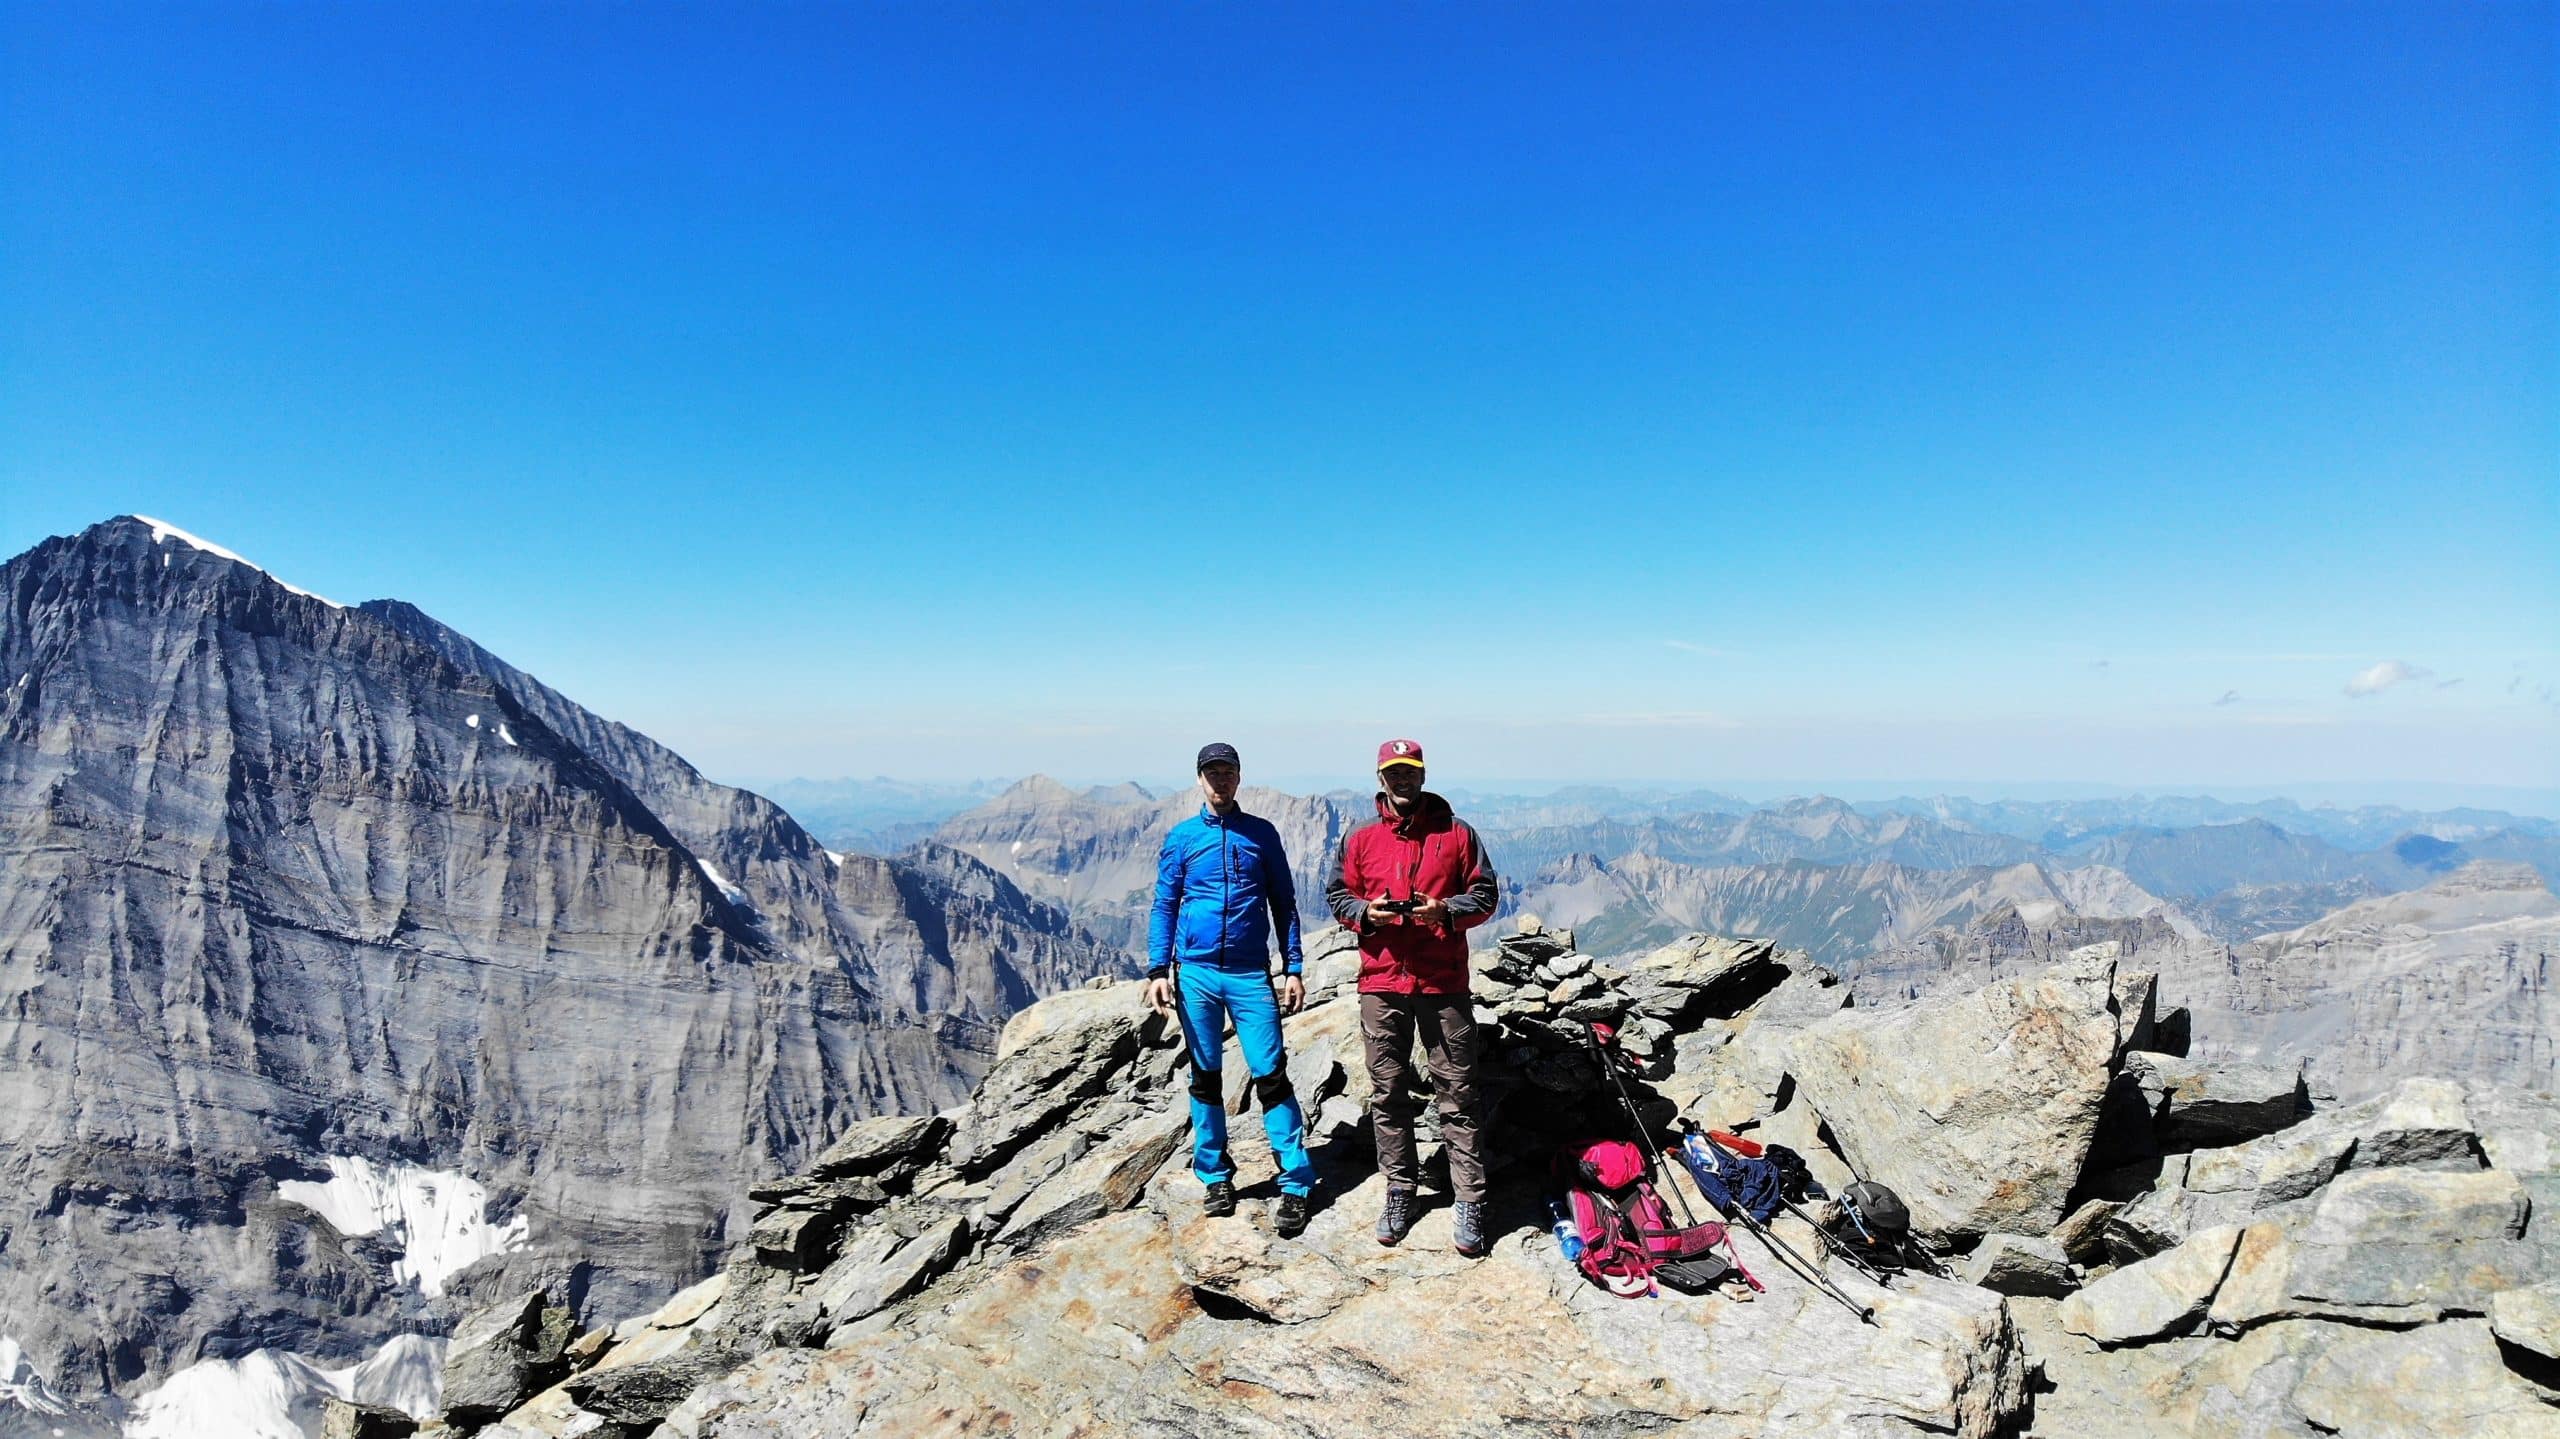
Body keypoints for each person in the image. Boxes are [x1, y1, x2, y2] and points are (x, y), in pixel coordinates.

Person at [1325, 738, 1500, 1256]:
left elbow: (1485, 895)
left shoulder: (1457, 833)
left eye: (1410, 770)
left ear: (1422, 773)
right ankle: (1400, 1190)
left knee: (1459, 1092)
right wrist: (1365, 914)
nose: (1402, 779)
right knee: (1387, 1093)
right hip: (1382, 981)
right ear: (1381, 777)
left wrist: (1443, 911)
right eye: (1393, 771)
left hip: (1442, 980)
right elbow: (1337, 895)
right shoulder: (1360, 839)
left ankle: (1469, 1198)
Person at [1145, 742, 1317, 1236]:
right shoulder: (1182, 839)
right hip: (1195, 972)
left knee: (1271, 1074)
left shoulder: (1260, 835)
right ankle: (1215, 1176)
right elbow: (1164, 905)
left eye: (1228, 771)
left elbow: (1283, 903)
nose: (1221, 779)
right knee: (1205, 1076)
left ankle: (1296, 1181)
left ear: (1239, 778)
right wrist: (1159, 970)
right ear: (1199, 779)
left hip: (1247, 972)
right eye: (1212, 772)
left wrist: (1294, 967)